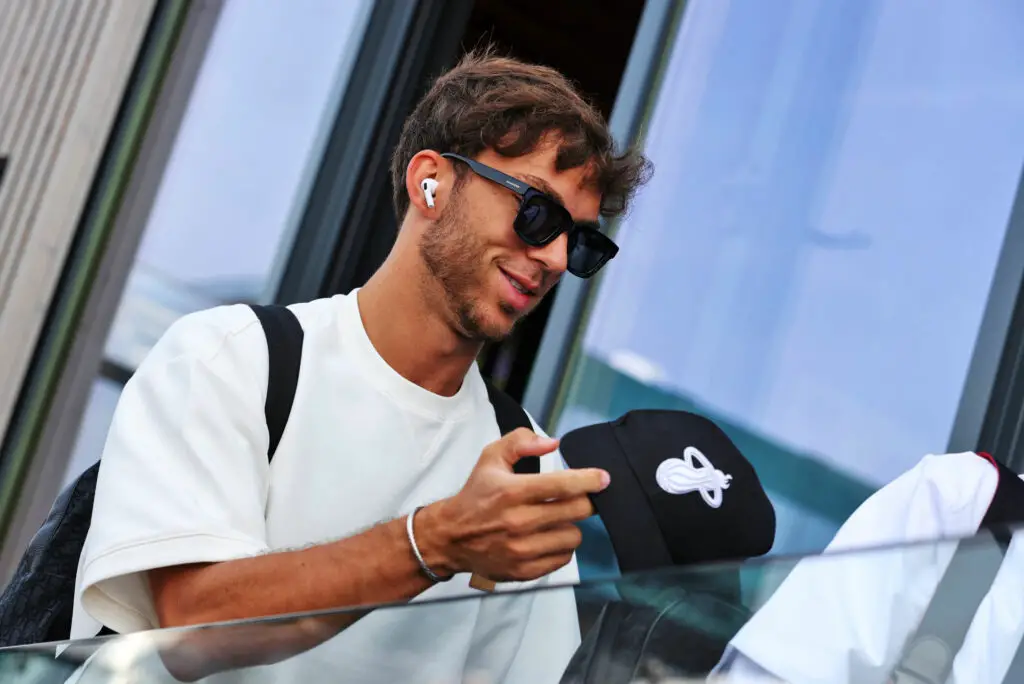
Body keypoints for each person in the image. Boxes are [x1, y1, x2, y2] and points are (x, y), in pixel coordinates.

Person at [68, 48, 652, 683]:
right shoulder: (233, 357)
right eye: (537, 211)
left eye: (581, 242)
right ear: (431, 182)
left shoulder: (526, 463)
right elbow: (189, 624)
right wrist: (435, 541)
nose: (557, 258)